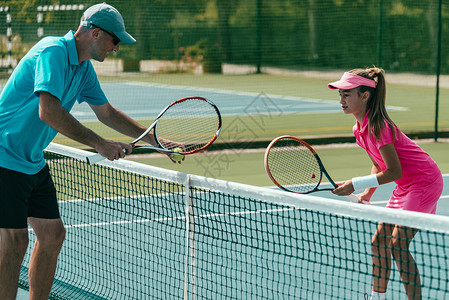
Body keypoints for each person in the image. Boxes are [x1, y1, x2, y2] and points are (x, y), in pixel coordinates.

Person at [0, 3, 180, 300]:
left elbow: (107, 113)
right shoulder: (52, 51)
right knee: (14, 240)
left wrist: (155, 142)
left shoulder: (83, 69)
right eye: (115, 41)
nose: (116, 48)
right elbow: (49, 111)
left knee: (53, 235)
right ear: (95, 33)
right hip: (5, 157)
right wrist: (100, 144)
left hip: (31, 161)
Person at [328, 67, 443, 300]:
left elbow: (394, 170)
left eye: (346, 94)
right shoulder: (359, 129)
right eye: (340, 94)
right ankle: (377, 297)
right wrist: (368, 193)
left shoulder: (379, 126)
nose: (341, 99)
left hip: (424, 182)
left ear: (364, 95)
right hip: (405, 186)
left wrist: (355, 184)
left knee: (398, 245)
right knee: (378, 241)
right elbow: (379, 164)